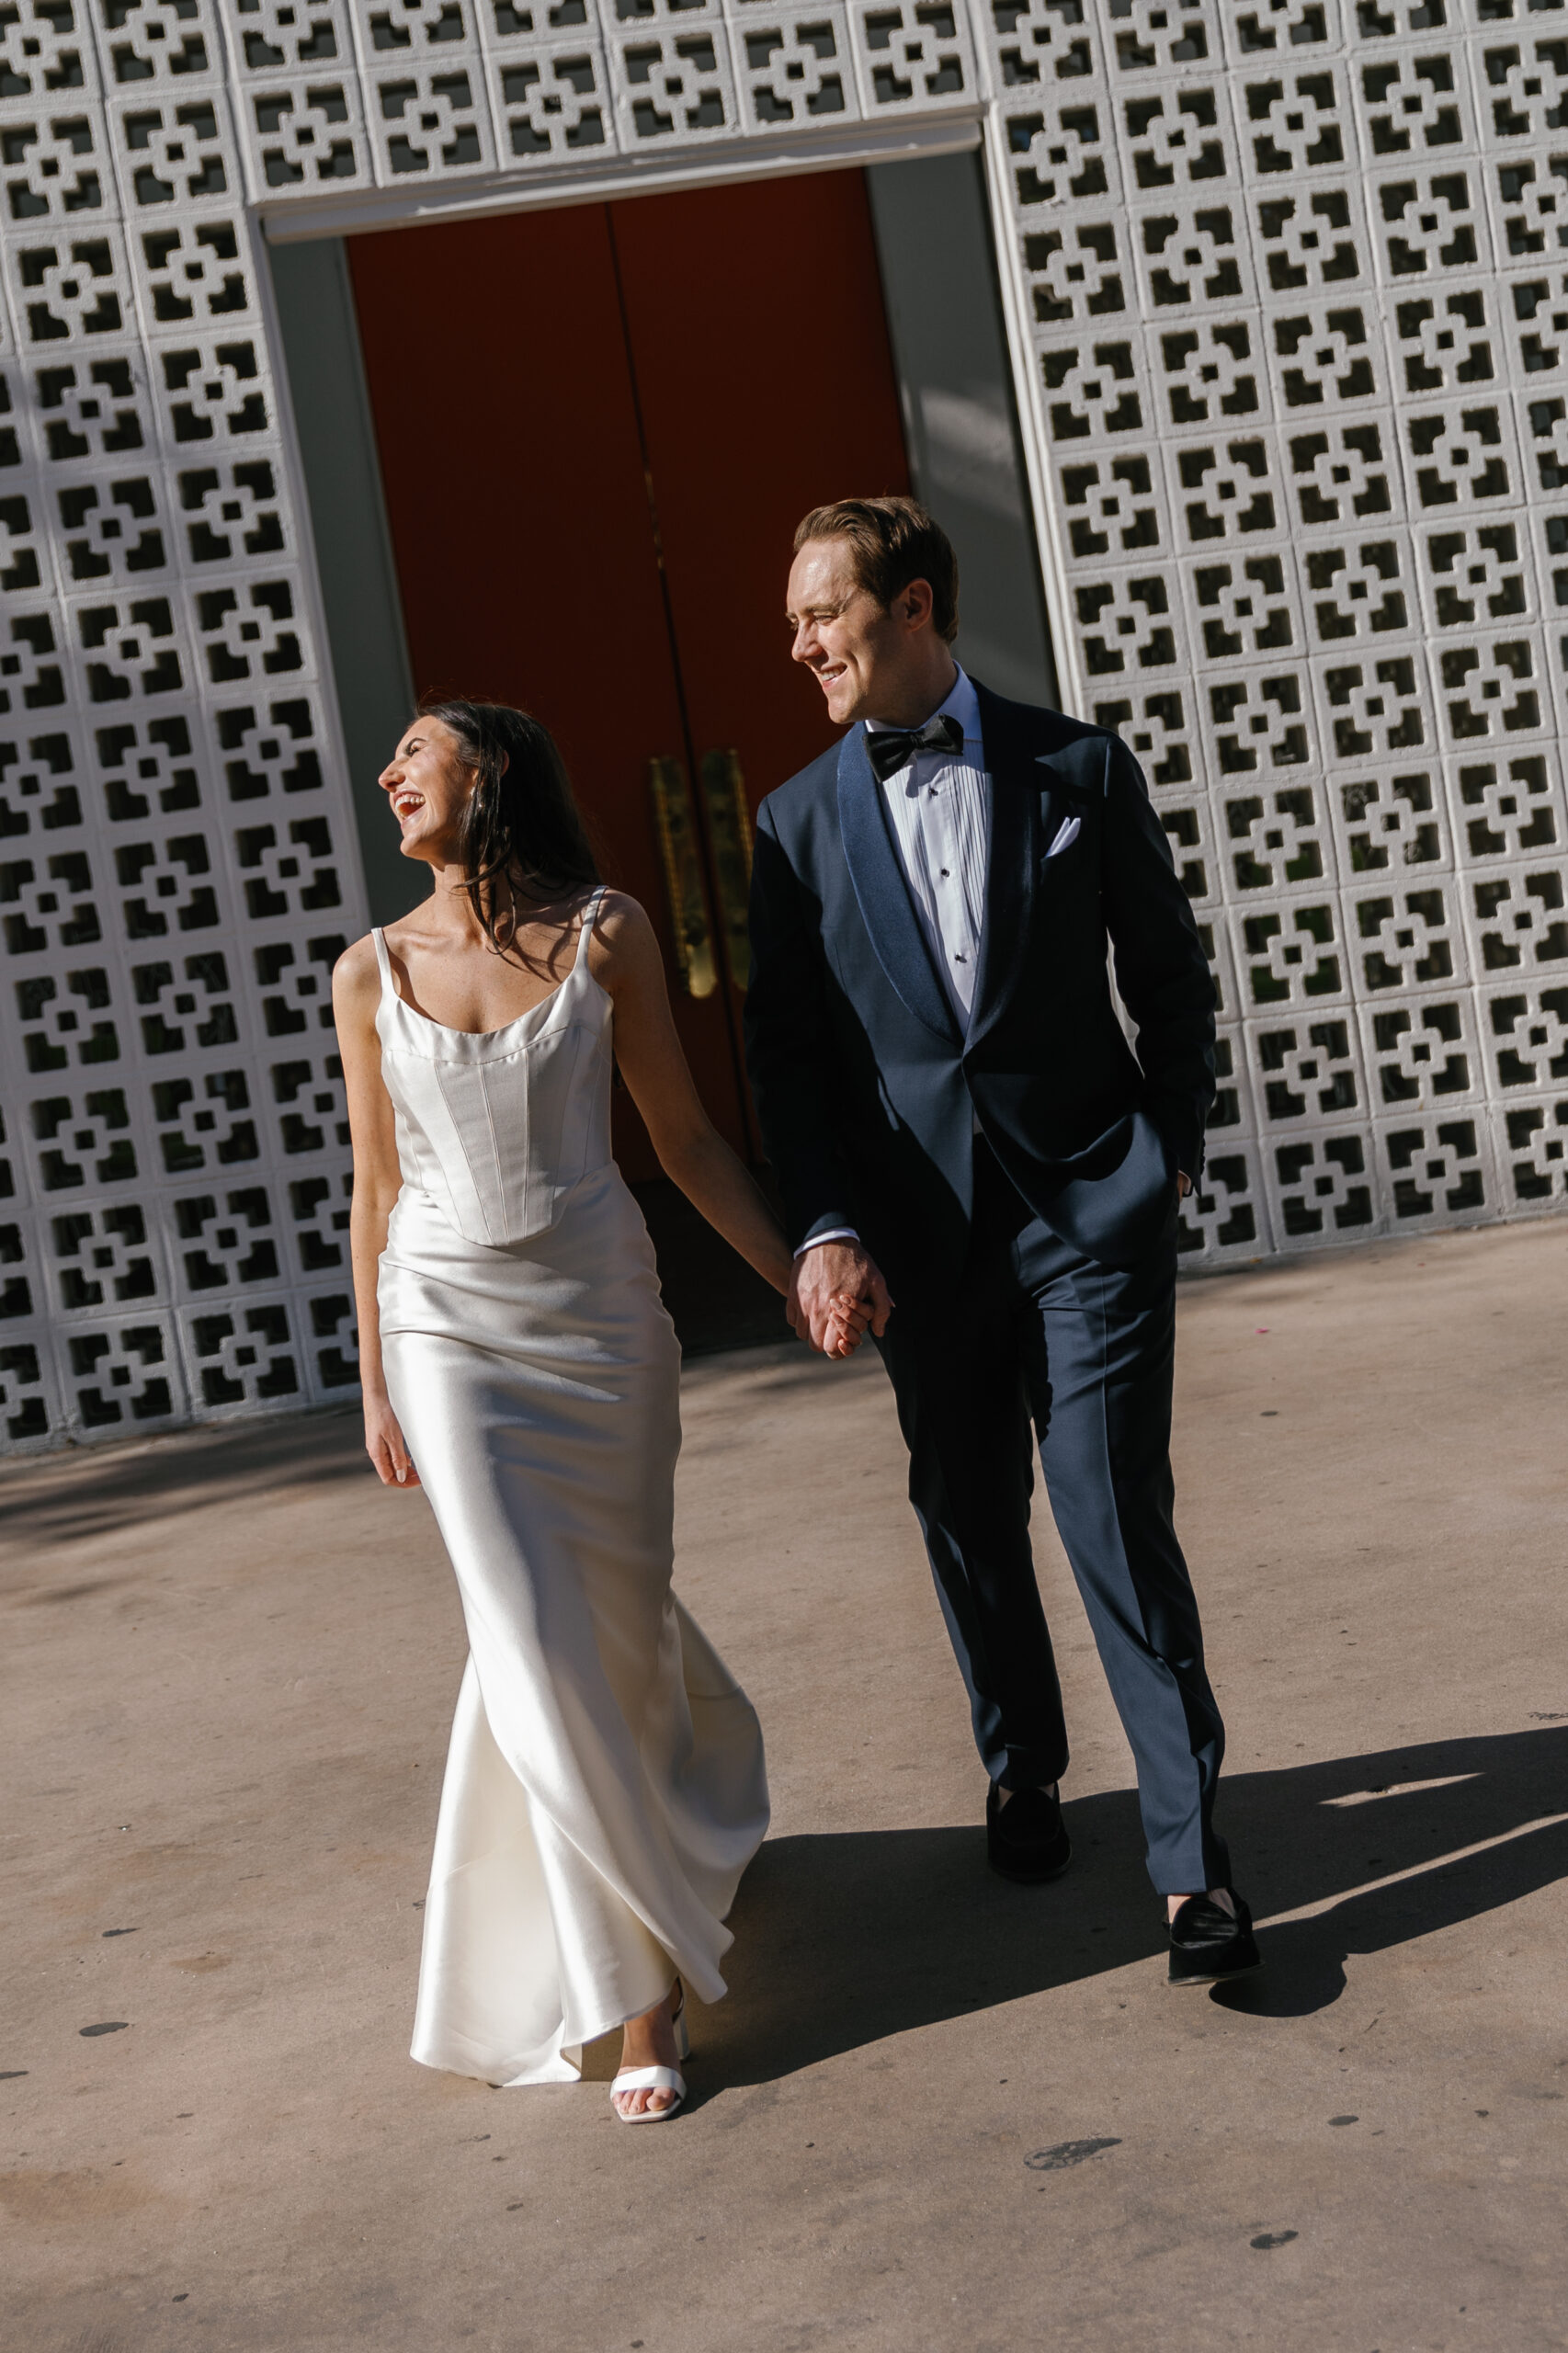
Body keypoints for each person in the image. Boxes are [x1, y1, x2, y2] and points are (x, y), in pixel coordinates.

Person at [744, 498, 1261, 1986]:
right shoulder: (793, 823)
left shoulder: (1078, 765)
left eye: (820, 615)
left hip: (1091, 1215)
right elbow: (788, 1060)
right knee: (966, 1513)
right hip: (918, 1245)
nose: (798, 646)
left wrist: (1165, 1154)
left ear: (910, 607)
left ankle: (1189, 1871)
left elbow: (1166, 975)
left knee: (1111, 1516)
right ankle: (1022, 1764)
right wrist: (827, 1227)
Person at [334, 700, 868, 2122]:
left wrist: (797, 1277)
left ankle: (684, 1806)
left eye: (415, 752)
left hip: (601, 1337)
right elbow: (374, 1193)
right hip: (445, 1333)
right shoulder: (367, 969)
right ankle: (642, 2000)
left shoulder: (609, 934)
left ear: (490, 770)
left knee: (600, 1638)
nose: (390, 774)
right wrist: (377, 1378)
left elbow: (684, 1141)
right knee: (523, 1636)